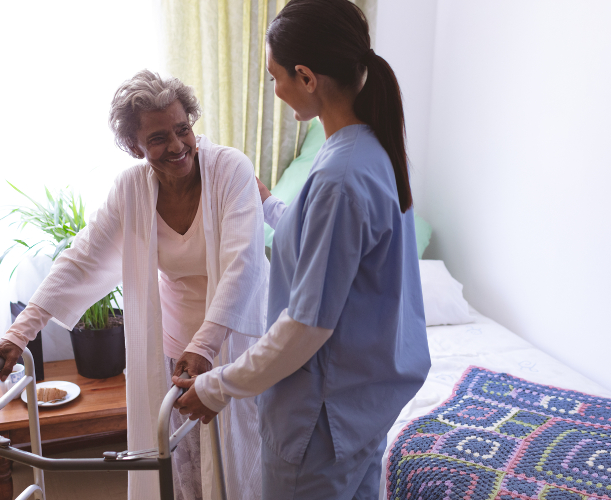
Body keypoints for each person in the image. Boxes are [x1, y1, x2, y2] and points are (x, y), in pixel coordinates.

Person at [173, 0, 432, 498]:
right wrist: (268, 203)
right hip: (360, 409)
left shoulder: (340, 176)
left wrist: (218, 386)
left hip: (321, 420)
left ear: (307, 78)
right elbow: (328, 243)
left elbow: (306, 326)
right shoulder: (367, 150)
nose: (274, 90)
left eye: (276, 77)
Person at [0, 70, 267, 500]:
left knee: (238, 458)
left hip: (236, 337)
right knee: (179, 460)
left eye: (182, 129)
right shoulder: (131, 188)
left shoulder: (230, 170)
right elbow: (81, 258)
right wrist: (19, 333)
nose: (176, 145)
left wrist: (205, 346)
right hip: (174, 344)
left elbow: (242, 265)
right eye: (158, 138)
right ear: (134, 147)